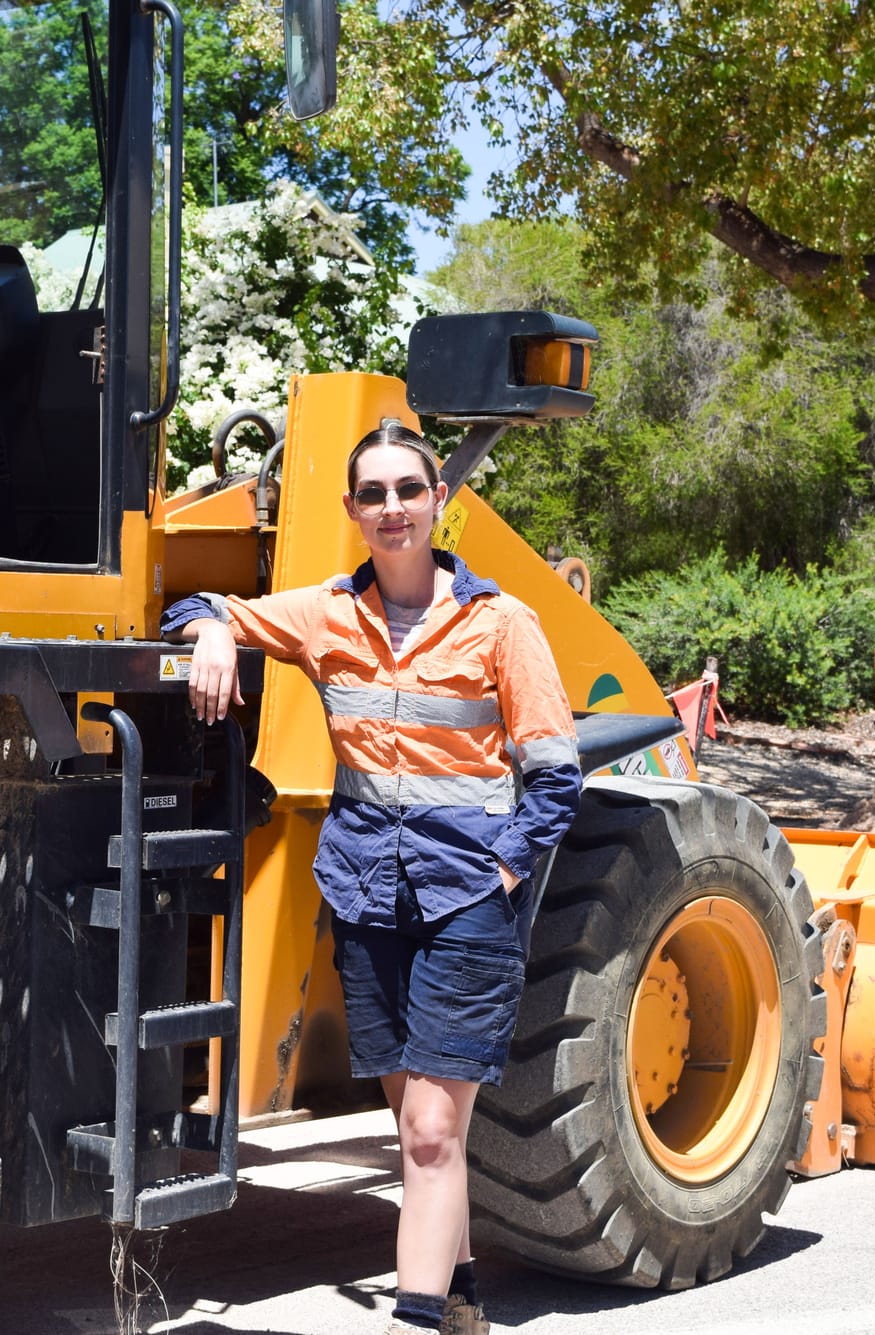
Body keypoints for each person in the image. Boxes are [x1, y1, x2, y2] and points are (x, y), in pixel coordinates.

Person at [163, 422, 581, 1334]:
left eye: (408, 489)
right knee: (420, 1128)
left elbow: (554, 776)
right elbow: (189, 601)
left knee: (431, 1133)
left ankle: (416, 1317)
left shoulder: (502, 624)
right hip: (364, 897)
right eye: (374, 494)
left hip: (466, 901)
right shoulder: (323, 614)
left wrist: (502, 870)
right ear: (352, 511)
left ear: (441, 501)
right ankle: (464, 1297)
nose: (392, 508)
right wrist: (210, 630)